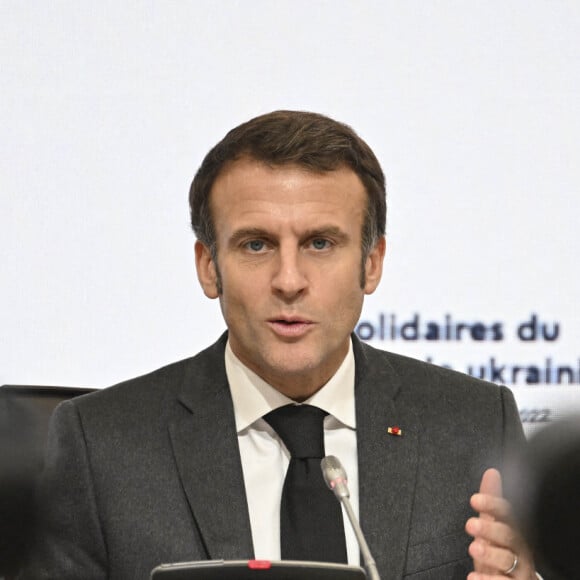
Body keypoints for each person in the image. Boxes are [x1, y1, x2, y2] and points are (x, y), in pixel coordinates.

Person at [20, 110, 539, 579]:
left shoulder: (474, 422)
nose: (289, 280)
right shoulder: (100, 446)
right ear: (208, 266)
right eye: (256, 244)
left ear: (372, 263)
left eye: (320, 243)